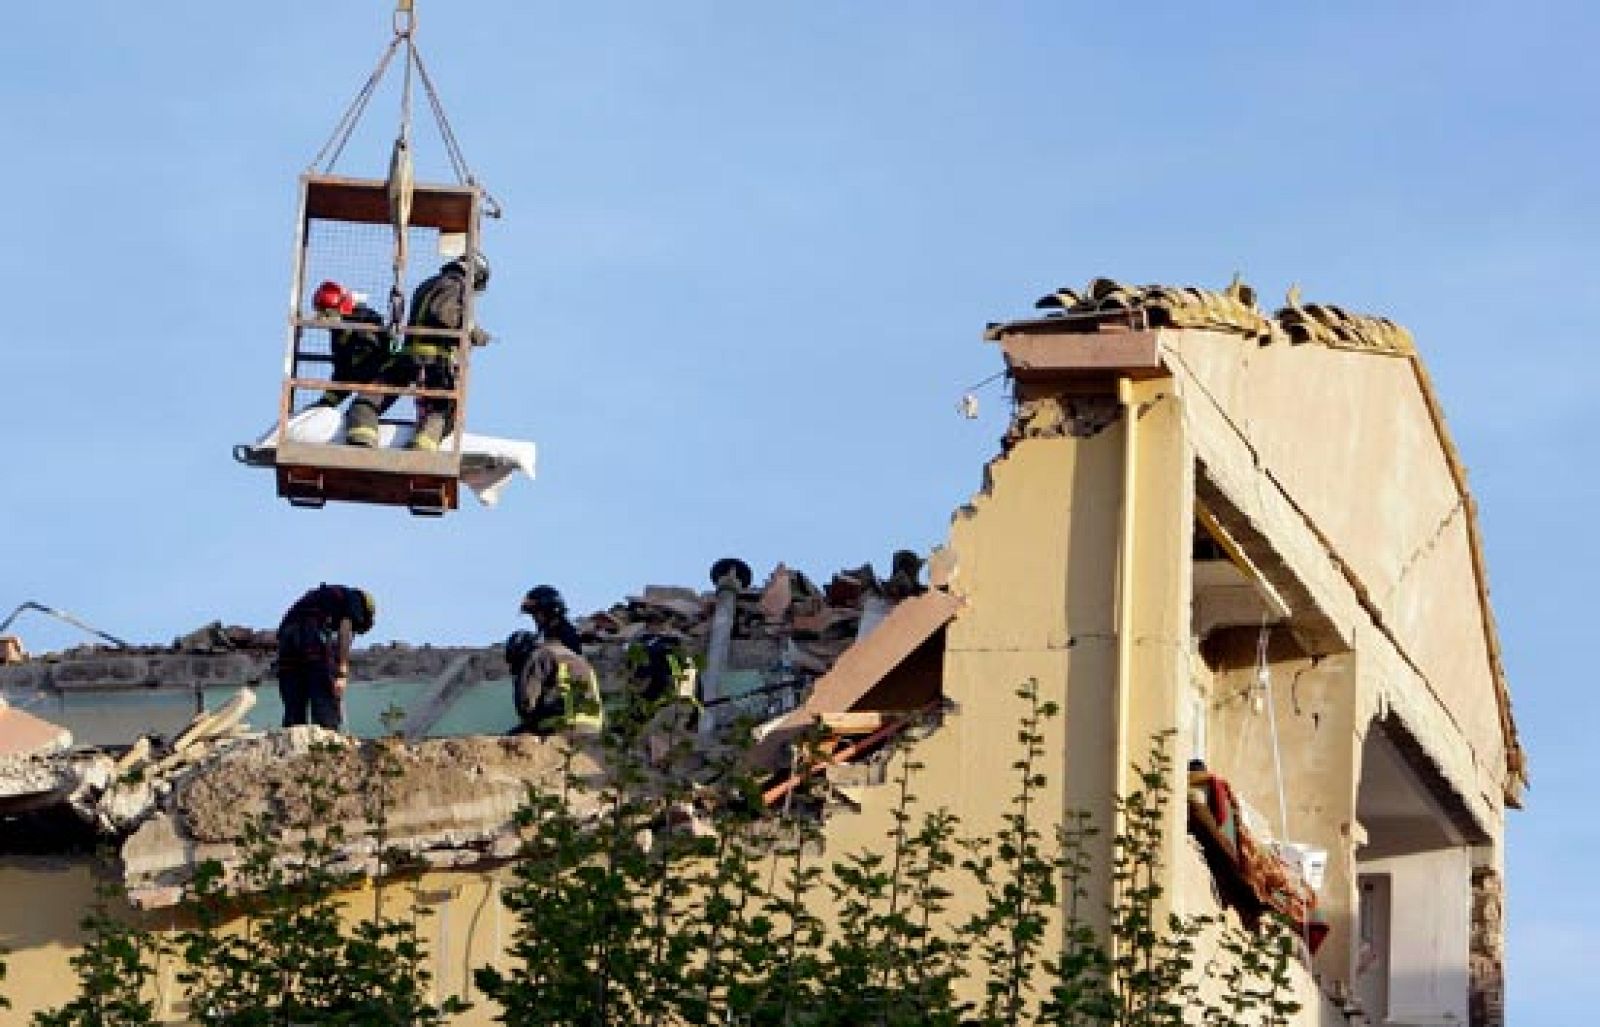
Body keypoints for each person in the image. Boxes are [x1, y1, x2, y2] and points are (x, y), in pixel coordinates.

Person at [400, 252, 491, 451]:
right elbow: (444, 315)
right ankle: (422, 449)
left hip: (409, 356)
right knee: (446, 409)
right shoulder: (457, 284)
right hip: (432, 359)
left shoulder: (428, 283)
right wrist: (473, 332)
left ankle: (364, 430)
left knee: (381, 398)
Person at [275, 583, 375, 731]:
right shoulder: (355, 599)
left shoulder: (320, 598)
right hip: (310, 636)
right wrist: (342, 671)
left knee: (294, 704)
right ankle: (327, 741)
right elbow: (345, 630)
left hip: (286, 641)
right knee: (324, 695)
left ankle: (293, 739)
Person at [506, 585, 602, 736]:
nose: (535, 619)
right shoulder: (562, 638)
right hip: (591, 721)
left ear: (547, 611)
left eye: (536, 614)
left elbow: (527, 703)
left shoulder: (550, 647)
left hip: (566, 720)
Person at [308, 281, 394, 448]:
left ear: (341, 308)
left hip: (385, 377)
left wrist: (356, 374)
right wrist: (324, 404)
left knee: (361, 409)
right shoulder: (340, 334)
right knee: (352, 416)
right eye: (322, 313)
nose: (324, 319)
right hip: (371, 380)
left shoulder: (364, 323)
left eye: (327, 313)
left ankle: (363, 449)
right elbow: (342, 375)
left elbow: (370, 359)